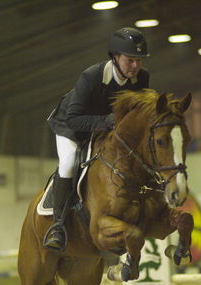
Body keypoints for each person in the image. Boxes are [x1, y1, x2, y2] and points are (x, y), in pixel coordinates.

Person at [43, 27, 150, 251]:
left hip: (105, 131)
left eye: (139, 61)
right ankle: (58, 226)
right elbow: (73, 119)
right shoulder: (91, 76)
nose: (136, 66)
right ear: (115, 57)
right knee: (69, 162)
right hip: (71, 128)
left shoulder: (142, 78)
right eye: (130, 60)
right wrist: (108, 121)